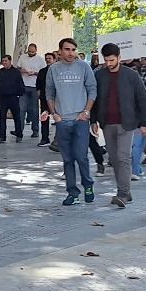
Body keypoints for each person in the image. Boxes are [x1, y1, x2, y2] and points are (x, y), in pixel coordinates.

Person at [92, 44, 146, 208]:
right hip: (106, 123)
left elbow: (143, 99)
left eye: (112, 60)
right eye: (106, 60)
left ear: (119, 57)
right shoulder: (100, 75)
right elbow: (95, 100)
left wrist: (145, 122)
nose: (109, 63)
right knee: (114, 159)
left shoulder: (131, 75)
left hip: (127, 123)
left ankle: (122, 194)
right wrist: (93, 121)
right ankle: (125, 189)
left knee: (123, 156)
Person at [45, 38, 98, 206]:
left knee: (81, 156)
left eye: (73, 49)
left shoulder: (84, 66)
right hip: (62, 120)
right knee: (67, 159)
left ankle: (88, 185)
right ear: (60, 51)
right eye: (67, 49)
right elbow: (49, 93)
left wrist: (86, 111)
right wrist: (54, 114)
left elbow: (92, 89)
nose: (71, 53)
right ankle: (72, 193)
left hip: (80, 119)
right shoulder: (53, 69)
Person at [0, 54, 26, 143]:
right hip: (2, 98)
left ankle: (19, 134)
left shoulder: (16, 72)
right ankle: (2, 136)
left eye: (6, 61)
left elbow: (20, 84)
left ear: (10, 61)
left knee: (17, 117)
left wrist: (19, 94)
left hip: (13, 98)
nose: (4, 63)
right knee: (2, 118)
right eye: (3, 61)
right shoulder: (0, 72)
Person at [15, 44, 44, 144]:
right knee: (21, 109)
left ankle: (35, 130)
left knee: (34, 110)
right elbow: (17, 69)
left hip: (35, 86)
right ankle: (19, 131)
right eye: (29, 51)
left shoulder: (40, 60)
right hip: (23, 86)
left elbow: (43, 73)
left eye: (33, 52)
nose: (31, 53)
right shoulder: (23, 57)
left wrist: (35, 73)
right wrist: (23, 71)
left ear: (36, 50)